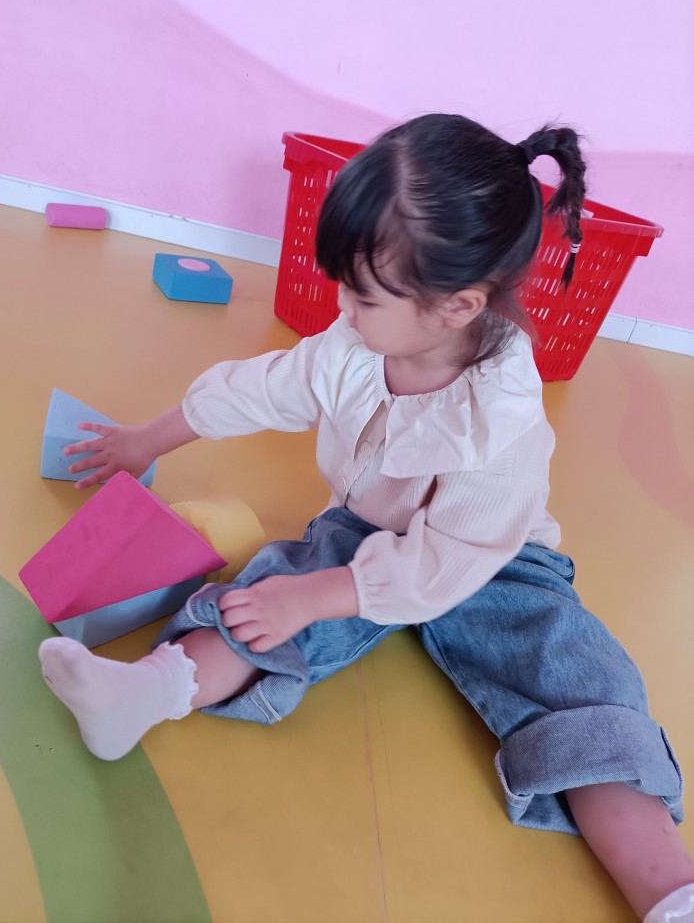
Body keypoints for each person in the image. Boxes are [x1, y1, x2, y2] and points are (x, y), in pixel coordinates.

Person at [38, 114, 693, 922]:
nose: (341, 305)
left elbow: (450, 560)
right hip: (365, 529)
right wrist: (144, 440)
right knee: (264, 594)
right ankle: (145, 693)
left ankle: (668, 890)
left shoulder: (499, 424)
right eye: (344, 283)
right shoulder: (351, 346)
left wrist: (318, 597)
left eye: (364, 293)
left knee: (577, 675)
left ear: (457, 306)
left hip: (494, 559)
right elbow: (254, 390)